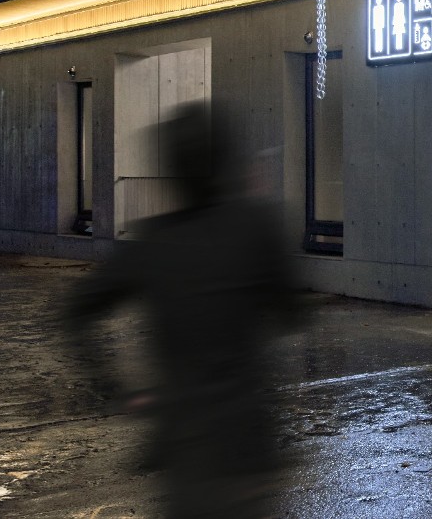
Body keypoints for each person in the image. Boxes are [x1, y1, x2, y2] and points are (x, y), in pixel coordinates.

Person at [66, 103, 300, 519]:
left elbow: (75, 312)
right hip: (247, 445)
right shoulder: (256, 225)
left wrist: (119, 390)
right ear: (227, 160)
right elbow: (292, 314)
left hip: (187, 449)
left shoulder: (154, 241)